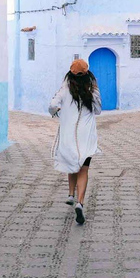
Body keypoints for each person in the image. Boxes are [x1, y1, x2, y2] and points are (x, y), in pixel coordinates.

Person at [49, 59, 102, 225]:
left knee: (71, 162)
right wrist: (94, 92)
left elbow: (52, 105)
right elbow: (98, 110)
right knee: (83, 169)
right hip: (86, 136)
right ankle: (79, 202)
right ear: (87, 73)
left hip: (69, 135)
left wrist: (56, 111)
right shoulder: (91, 88)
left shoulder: (65, 87)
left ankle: (71, 194)